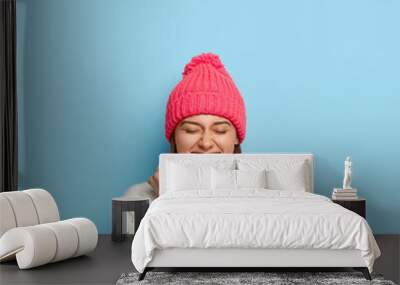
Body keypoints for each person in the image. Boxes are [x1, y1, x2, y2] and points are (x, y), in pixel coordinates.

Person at [123, 52, 246, 201]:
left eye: (220, 130)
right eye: (191, 130)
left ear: (236, 138)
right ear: (174, 136)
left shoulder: (261, 198)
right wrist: (167, 198)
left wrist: (178, 199)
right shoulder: (138, 198)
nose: (205, 143)